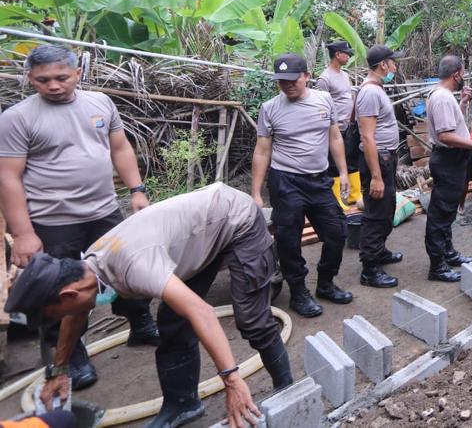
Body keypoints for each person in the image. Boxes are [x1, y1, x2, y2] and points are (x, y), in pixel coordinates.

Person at [5, 183, 293, 428]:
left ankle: (288, 391)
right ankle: (182, 404)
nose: (65, 317)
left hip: (236, 219)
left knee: (252, 320)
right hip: (200, 233)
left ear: (67, 295)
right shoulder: (88, 267)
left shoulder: (134, 265)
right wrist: (59, 371)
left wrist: (231, 380)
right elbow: (76, 313)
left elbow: (202, 311)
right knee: (172, 319)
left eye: (59, 313)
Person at [0, 45, 159, 391]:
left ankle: (140, 322)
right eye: (43, 80)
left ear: (78, 74)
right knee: (61, 291)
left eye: (61, 77)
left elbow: (120, 148)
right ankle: (70, 355)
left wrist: (137, 191)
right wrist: (24, 233)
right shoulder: (17, 118)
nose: (53, 85)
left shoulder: (100, 103)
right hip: (53, 220)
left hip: (104, 211)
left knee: (128, 269)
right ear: (30, 79)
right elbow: (8, 177)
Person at [251, 53, 352, 318]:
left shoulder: (324, 100)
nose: (288, 85)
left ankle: (326, 283)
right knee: (288, 239)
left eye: (293, 79)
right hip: (286, 181)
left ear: (307, 76)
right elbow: (262, 151)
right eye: (282, 81)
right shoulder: (270, 108)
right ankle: (298, 293)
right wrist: (256, 193)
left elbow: (334, 138)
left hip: (319, 180)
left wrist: (342, 172)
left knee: (337, 232)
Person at [424, 56, 472, 283]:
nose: (464, 77)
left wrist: (462, 103)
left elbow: (453, 125)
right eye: (463, 73)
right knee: (440, 214)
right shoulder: (442, 98)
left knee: (448, 211)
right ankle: (437, 266)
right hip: (448, 160)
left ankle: (448, 253)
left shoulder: (444, 96)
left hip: (453, 159)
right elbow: (445, 135)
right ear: (456, 75)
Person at [355, 45, 405, 288]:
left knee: (386, 209)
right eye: (392, 62)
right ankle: (370, 269)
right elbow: (367, 137)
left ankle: (380, 251)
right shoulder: (370, 93)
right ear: (383, 64)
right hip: (379, 161)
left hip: (386, 158)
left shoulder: (377, 89)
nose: (395, 66)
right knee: (376, 214)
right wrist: (376, 176)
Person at [316, 40, 361, 209]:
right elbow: (320, 107)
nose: (349, 56)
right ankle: (337, 199)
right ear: (337, 54)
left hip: (348, 127)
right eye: (346, 53)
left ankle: (355, 195)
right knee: (334, 164)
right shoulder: (324, 78)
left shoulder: (344, 75)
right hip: (333, 130)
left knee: (352, 160)